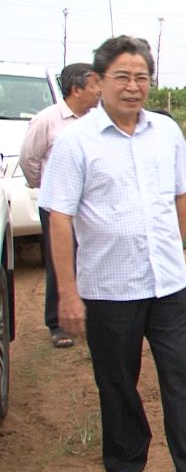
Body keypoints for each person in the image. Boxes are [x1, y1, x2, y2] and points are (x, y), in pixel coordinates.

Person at [39, 36, 186, 472]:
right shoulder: (76, 141)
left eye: (142, 77)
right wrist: (67, 294)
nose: (133, 86)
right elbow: (59, 218)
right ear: (99, 81)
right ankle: (125, 468)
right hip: (109, 288)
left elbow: (181, 193)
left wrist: (173, 248)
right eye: (122, 77)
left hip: (167, 285)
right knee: (118, 382)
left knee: (181, 378)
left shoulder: (166, 132)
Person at [19, 62, 99, 349]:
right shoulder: (47, 120)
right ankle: (57, 323)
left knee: (91, 258)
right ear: (76, 90)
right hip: (58, 206)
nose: (100, 91)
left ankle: (90, 316)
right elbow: (29, 159)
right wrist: (47, 188)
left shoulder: (98, 120)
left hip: (92, 205)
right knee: (60, 260)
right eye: (94, 85)